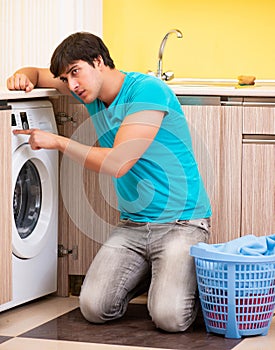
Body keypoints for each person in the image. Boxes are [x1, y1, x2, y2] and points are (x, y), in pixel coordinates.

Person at [7, 32, 211, 332]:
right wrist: (21, 77)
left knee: (169, 318)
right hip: (134, 225)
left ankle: (175, 281)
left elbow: (118, 162)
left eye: (76, 72)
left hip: (183, 223)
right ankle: (158, 274)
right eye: (66, 77)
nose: (72, 85)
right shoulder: (86, 90)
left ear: (98, 61)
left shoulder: (147, 91)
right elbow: (37, 74)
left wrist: (58, 142)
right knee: (94, 307)